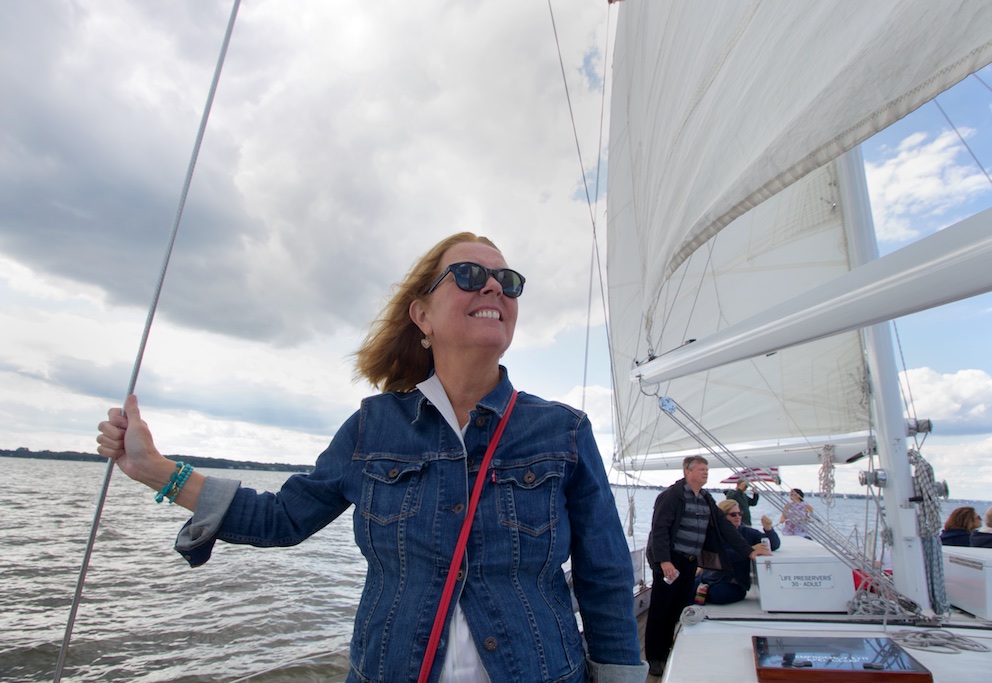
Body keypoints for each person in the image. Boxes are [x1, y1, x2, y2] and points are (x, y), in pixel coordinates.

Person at [96, 232, 648, 683]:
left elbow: (603, 574)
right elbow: (282, 518)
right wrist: (157, 471)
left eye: (508, 281)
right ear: (423, 315)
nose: (494, 288)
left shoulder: (563, 431)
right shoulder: (372, 427)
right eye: (469, 275)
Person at [643, 456, 770, 676]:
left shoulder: (705, 498)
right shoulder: (671, 497)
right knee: (661, 608)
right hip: (671, 560)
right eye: (701, 469)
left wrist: (749, 552)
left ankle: (669, 649)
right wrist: (664, 562)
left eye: (707, 469)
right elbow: (660, 530)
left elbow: (725, 526)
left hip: (691, 561)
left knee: (679, 606)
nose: (705, 472)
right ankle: (655, 657)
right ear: (687, 471)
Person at [692, 499, 781, 605]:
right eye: (733, 514)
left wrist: (769, 529)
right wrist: (749, 550)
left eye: (740, 513)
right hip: (710, 577)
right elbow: (720, 555)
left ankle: (702, 593)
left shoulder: (748, 533)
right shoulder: (713, 534)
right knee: (684, 589)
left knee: (718, 595)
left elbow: (773, 545)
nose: (738, 516)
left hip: (734, 582)